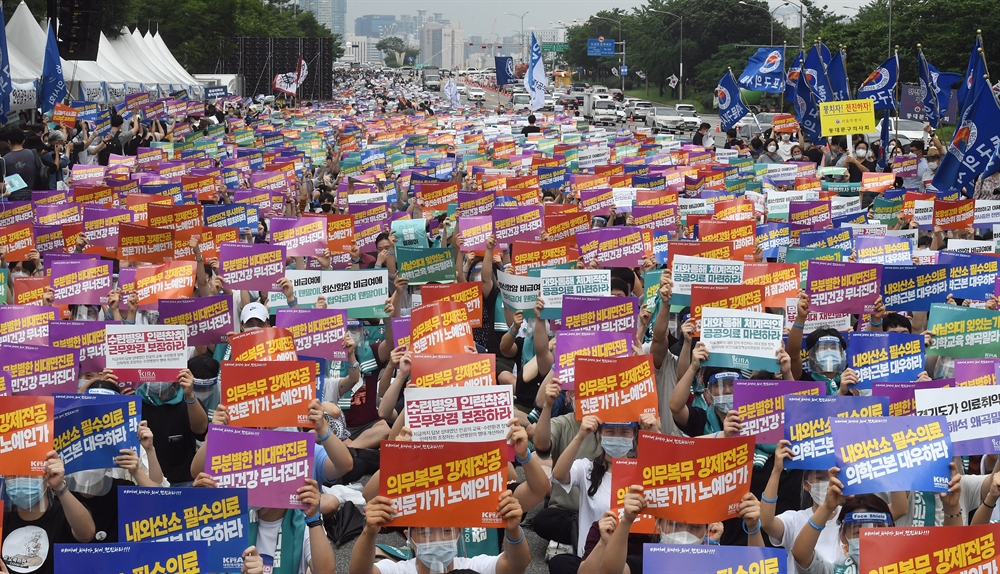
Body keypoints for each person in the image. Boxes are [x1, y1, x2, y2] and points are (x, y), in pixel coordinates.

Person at [350, 493, 531, 574]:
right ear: (409, 537)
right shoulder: (399, 570)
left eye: (446, 531)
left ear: (459, 533)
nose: (436, 540)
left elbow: (516, 566)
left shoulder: (473, 568)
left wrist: (513, 529)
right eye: (425, 533)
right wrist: (369, 532)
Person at [2, 451, 97, 574]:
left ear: (46, 476)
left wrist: (59, 487)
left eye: (30, 474)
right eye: (14, 475)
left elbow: (87, 533)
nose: (21, 480)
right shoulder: (3, 519)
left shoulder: (64, 514)